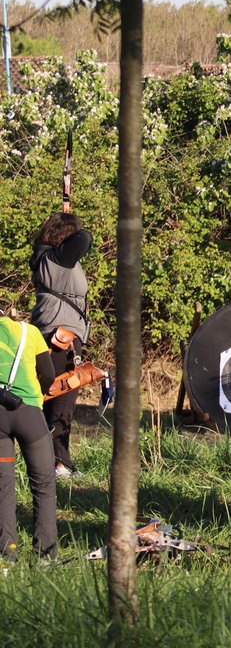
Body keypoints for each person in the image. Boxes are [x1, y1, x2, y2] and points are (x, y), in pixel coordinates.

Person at [30, 208, 92, 479]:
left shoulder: (50, 257)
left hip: (56, 334)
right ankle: (60, 464)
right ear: (65, 236)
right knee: (61, 400)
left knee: (54, 400)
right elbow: (85, 238)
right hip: (60, 338)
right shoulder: (57, 258)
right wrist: (71, 226)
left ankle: (51, 462)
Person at [0, 310, 57, 561]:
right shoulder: (29, 331)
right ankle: (45, 556)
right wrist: (37, 396)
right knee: (43, 484)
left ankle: (7, 556)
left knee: (3, 486)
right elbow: (49, 375)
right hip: (29, 415)